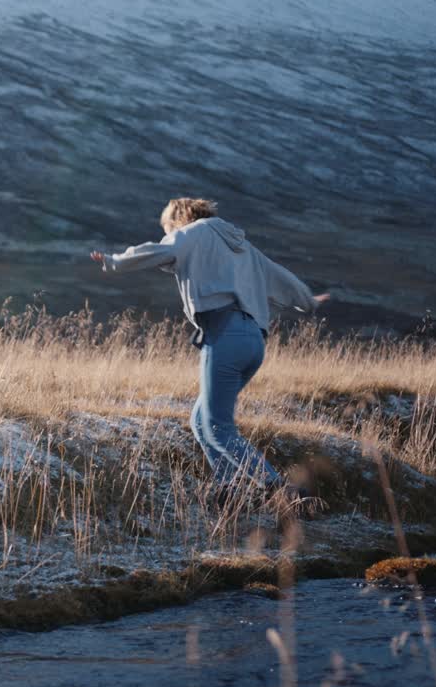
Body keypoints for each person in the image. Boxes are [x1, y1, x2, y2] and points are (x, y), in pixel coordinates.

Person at [91, 198, 329, 506]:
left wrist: (115, 261)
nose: (168, 235)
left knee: (217, 426)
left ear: (180, 219)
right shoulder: (242, 247)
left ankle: (280, 489)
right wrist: (308, 300)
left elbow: (161, 251)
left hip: (225, 333)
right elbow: (279, 276)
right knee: (201, 419)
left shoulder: (192, 233)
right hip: (253, 341)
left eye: (167, 229)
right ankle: (230, 489)